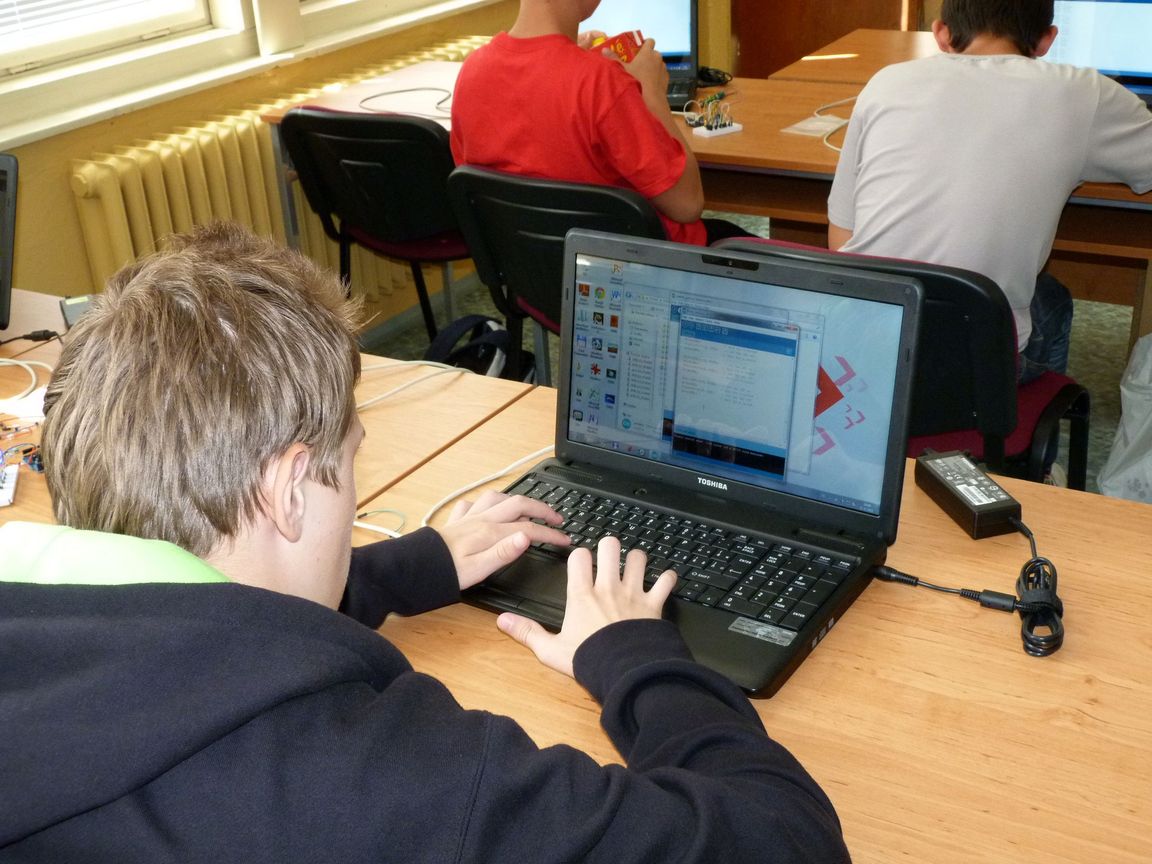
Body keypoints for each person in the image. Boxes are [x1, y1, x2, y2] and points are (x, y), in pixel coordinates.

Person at [0, 222, 849, 862]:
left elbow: (186, 635)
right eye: (348, 464)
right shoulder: (392, 785)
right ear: (290, 491)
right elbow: (786, 840)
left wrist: (404, 569)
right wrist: (636, 658)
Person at [827, 0, 1152, 382]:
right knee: (1052, 302)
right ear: (1047, 40)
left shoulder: (886, 82)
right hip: (966, 361)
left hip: (853, 342)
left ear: (941, 33)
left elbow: (841, 231)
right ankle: (1015, 417)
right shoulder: (1084, 91)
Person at [449, 0, 747, 246]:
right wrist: (653, 96)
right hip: (639, 274)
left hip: (535, 280)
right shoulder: (602, 82)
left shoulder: (472, 71)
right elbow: (688, 205)